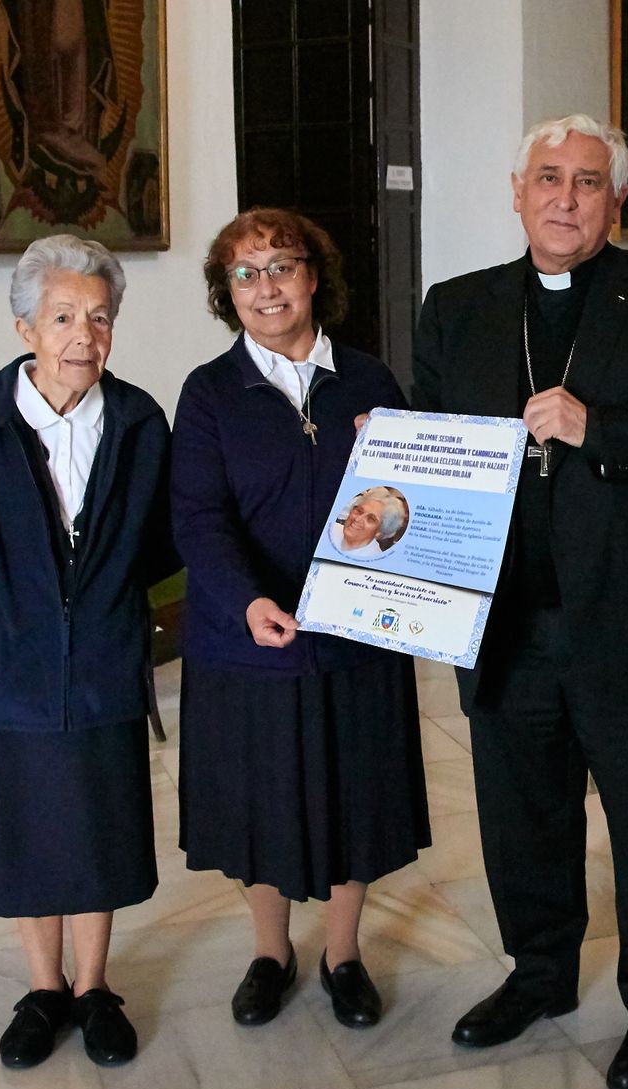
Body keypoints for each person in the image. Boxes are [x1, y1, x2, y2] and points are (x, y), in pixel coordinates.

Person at [413, 114, 628, 1089]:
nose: (565, 197)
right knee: (523, 818)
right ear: (515, 192)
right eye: (548, 178)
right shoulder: (458, 306)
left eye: (588, 182)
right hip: (502, 617)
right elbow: (429, 441)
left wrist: (598, 426)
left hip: (625, 615)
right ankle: (539, 973)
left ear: (618, 200)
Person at [0, 234, 175, 1069]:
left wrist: (125, 621)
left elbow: (163, 543)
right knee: (25, 840)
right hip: (5, 681)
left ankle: (94, 988)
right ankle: (44, 988)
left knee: (99, 837)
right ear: (25, 328)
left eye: (99, 317)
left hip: (100, 674)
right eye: (62, 317)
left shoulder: (137, 420)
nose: (83, 335)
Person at [172, 208, 430, 1030]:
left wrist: (390, 461)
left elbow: (410, 506)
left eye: (282, 266)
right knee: (260, 799)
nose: (266, 286)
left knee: (356, 795)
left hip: (358, 633)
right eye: (244, 275)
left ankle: (343, 954)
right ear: (227, 295)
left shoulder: (369, 380)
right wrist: (247, 601)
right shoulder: (209, 393)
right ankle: (270, 951)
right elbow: (199, 517)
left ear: (315, 277)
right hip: (249, 637)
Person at [330, 487, 406, 557]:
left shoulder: (374, 559)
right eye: (359, 511)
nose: (358, 519)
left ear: (380, 532)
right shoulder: (331, 529)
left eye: (371, 519)